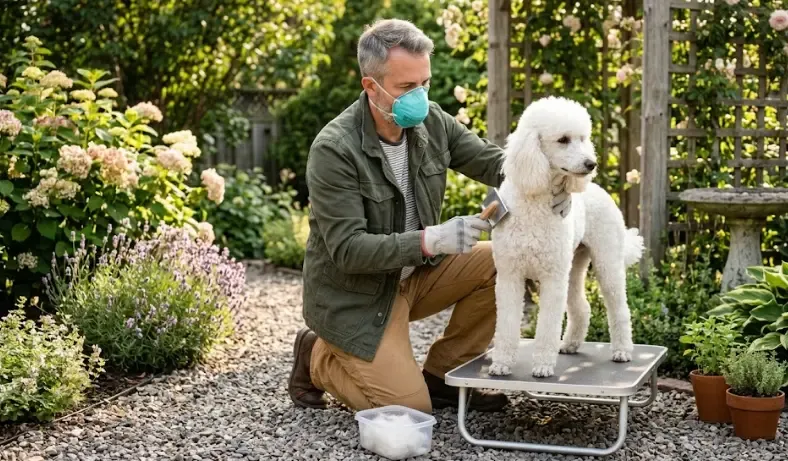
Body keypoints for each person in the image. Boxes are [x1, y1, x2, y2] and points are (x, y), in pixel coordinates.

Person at [287, 18, 571, 414]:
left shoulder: (431, 121)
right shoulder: (335, 150)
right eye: (406, 87)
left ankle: (442, 377)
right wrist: (430, 240)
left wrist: (558, 182)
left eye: (425, 83)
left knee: (497, 261)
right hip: (357, 296)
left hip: (416, 275)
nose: (419, 96)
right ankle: (316, 357)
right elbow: (348, 250)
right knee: (406, 412)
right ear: (371, 86)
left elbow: (496, 164)